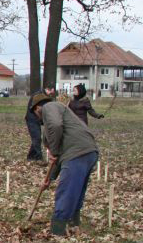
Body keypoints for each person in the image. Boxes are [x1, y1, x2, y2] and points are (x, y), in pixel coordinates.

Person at [30, 93, 99, 235]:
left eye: (35, 115)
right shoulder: (58, 116)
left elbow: (55, 127)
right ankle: (74, 224)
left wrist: (53, 151)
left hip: (77, 152)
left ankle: (57, 230)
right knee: (76, 190)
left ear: (37, 108)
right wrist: (50, 179)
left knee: (67, 191)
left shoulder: (50, 107)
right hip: (89, 151)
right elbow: (58, 158)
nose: (38, 119)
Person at [25, 85, 56, 161]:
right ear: (50, 89)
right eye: (52, 91)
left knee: (36, 138)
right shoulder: (39, 96)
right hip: (32, 119)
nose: (52, 94)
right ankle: (39, 157)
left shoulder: (44, 96)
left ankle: (31, 156)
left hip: (37, 119)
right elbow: (38, 110)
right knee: (37, 138)